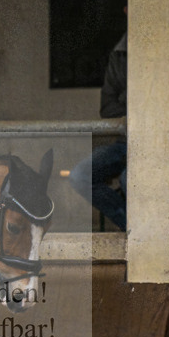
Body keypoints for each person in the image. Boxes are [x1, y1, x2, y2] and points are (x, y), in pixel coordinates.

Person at [69, 30, 127, 230]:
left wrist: (128, 107)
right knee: (79, 175)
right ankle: (131, 226)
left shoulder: (166, 47)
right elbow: (107, 107)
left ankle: (143, 232)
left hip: (158, 142)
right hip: (125, 142)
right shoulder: (120, 54)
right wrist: (136, 113)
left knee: (130, 180)